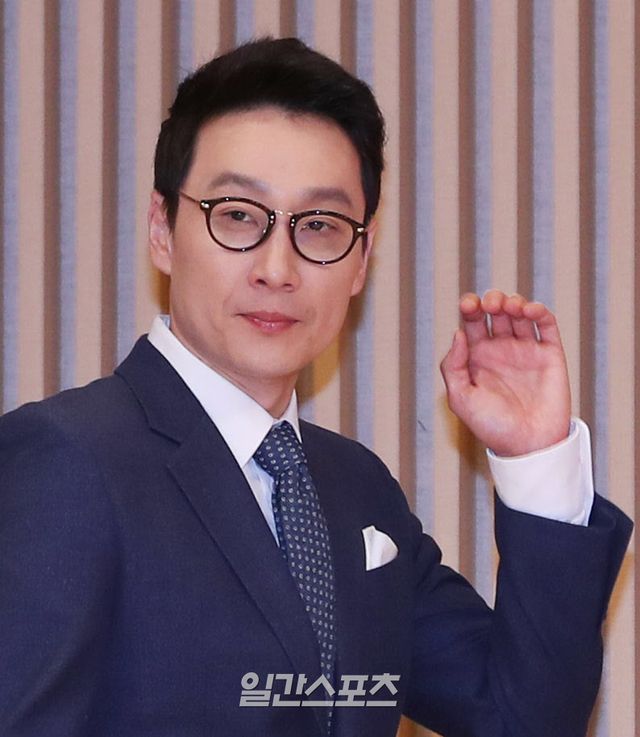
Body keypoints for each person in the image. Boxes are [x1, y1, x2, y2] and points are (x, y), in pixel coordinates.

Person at [0, 37, 631, 737]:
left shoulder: (357, 489)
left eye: (321, 226)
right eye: (238, 215)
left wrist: (535, 456)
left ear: (361, 260)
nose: (278, 268)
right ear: (162, 229)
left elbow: (524, 720)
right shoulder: (66, 461)